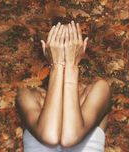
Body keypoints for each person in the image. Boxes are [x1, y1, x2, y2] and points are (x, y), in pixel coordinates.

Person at [16, 20, 112, 151]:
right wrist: (56, 66)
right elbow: (50, 137)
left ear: (81, 49)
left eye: (71, 42)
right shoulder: (27, 95)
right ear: (46, 50)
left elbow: (70, 138)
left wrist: (71, 67)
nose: (64, 48)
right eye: (58, 43)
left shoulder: (98, 89)